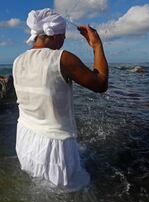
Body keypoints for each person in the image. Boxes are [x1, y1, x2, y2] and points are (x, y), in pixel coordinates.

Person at [13, 8, 108, 189]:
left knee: (40, 192)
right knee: (70, 196)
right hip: (54, 147)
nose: (64, 39)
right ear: (53, 35)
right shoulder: (62, 58)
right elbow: (101, 83)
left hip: (25, 140)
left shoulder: (18, 60)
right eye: (63, 35)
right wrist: (97, 45)